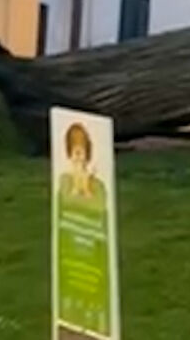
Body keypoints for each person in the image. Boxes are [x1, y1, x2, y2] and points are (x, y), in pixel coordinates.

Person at [57, 124, 111, 338]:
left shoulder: (97, 185)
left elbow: (98, 206)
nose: (78, 156)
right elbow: (65, 201)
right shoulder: (64, 180)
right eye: (74, 151)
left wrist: (86, 187)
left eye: (82, 151)